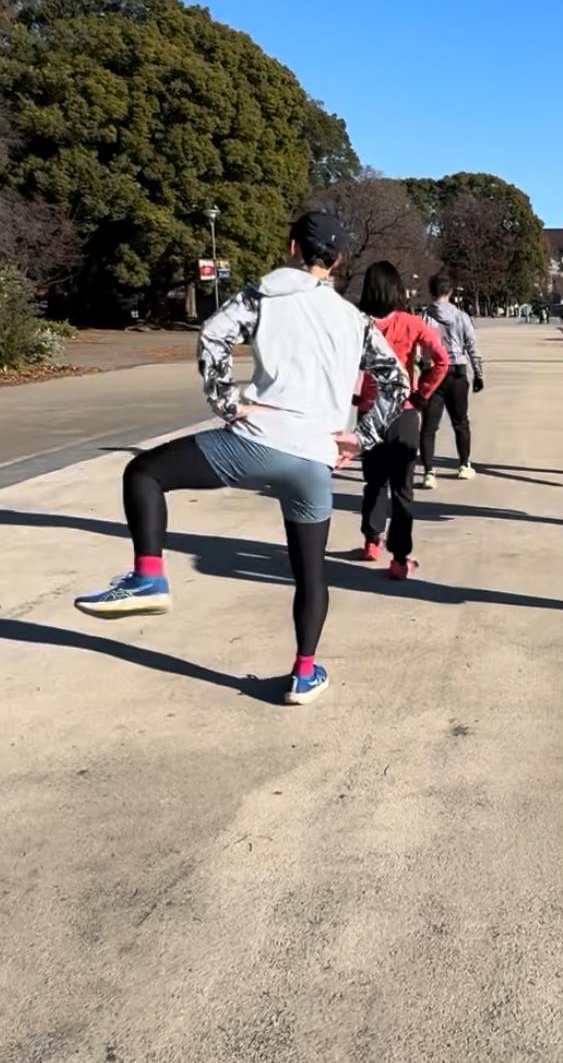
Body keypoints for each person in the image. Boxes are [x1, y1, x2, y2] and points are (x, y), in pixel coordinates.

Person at [74, 211, 408, 706]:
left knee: (144, 473)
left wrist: (228, 404)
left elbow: (213, 334)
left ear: (293, 248)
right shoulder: (353, 319)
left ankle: (148, 576)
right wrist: (359, 439)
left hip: (256, 443)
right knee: (310, 575)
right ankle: (304, 673)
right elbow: (396, 380)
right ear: (338, 260)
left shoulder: (265, 295)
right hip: (315, 461)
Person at [350, 260, 449, 579]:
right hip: (403, 412)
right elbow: (442, 360)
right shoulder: (411, 323)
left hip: (369, 412)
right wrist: (422, 394)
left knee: (374, 481)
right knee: (403, 488)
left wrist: (353, 396)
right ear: (397, 289)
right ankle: (399, 558)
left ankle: (371, 540)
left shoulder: (355, 324)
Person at [419, 272, 483, 486]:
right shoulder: (461, 316)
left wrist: (420, 366)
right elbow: (472, 346)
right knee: (460, 421)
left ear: (431, 291)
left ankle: (429, 472)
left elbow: (417, 346)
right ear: (451, 292)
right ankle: (464, 464)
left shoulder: (424, 316)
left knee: (429, 426)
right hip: (456, 371)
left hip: (432, 371)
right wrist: (478, 374)